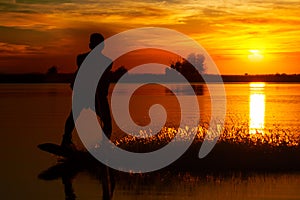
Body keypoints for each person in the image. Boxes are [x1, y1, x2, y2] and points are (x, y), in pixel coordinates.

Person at [61, 33, 113, 149]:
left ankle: (103, 145)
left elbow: (104, 80)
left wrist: (102, 94)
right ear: (90, 45)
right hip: (83, 93)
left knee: (107, 123)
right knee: (73, 116)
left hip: (98, 96)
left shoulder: (107, 62)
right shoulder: (81, 58)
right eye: (94, 44)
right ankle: (66, 140)